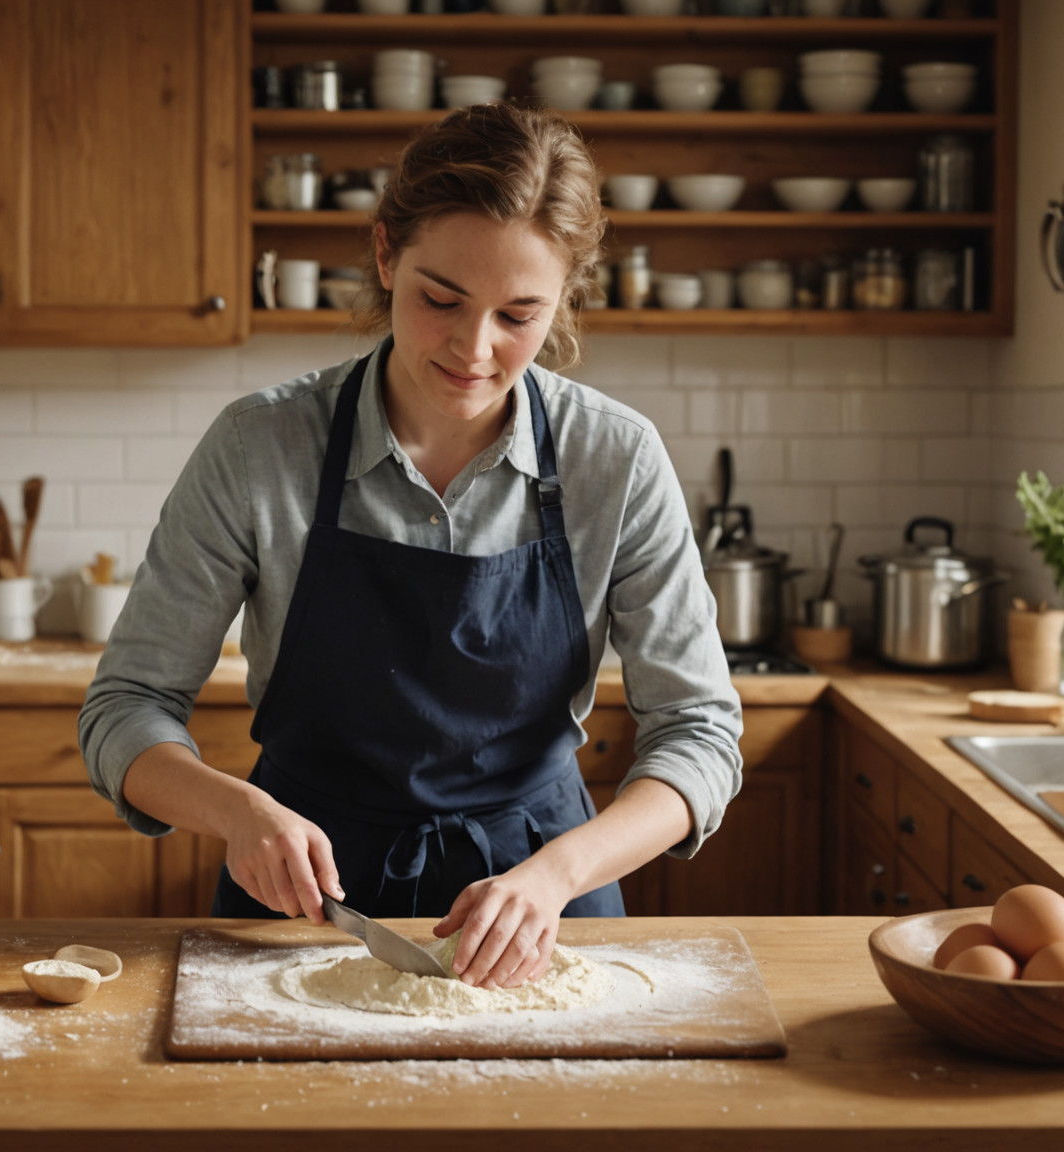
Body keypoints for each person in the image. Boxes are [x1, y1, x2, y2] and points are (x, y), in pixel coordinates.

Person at [80, 103, 741, 991]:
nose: (475, 350)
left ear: (565, 299)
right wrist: (237, 813)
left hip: (541, 907)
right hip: (307, 909)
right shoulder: (258, 447)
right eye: (441, 299)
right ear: (387, 254)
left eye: (519, 314)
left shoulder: (614, 458)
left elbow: (699, 733)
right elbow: (125, 708)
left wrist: (557, 876)